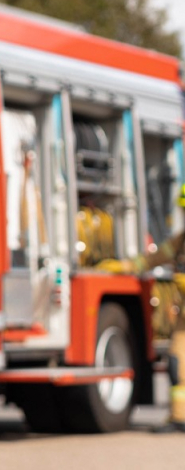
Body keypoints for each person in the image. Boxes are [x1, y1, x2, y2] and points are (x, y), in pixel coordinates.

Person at [98, 185, 185, 434]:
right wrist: (125, 266)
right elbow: (154, 259)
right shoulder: (181, 240)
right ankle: (179, 417)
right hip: (184, 321)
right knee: (177, 365)